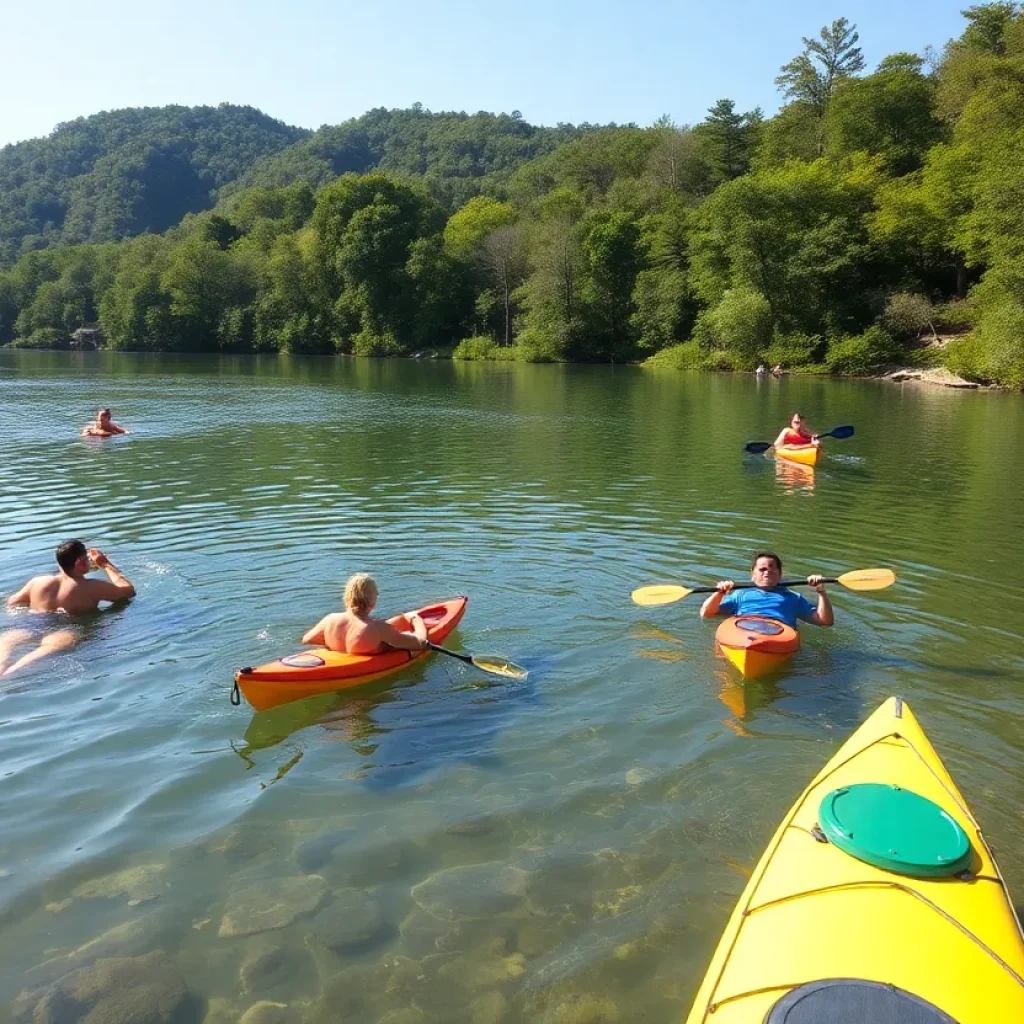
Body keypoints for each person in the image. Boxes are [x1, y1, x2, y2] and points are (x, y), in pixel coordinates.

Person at [2, 540, 136, 677]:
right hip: (65, 628)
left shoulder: (38, 582)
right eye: (87, 559)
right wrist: (105, 564)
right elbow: (129, 592)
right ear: (80, 562)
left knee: (7, 642)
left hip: (32, 622)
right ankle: (7, 676)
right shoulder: (92, 587)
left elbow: (12, 602)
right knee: (47, 648)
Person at [700, 551, 834, 629]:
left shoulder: (794, 598)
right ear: (752, 574)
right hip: (744, 631)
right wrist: (719, 593)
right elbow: (706, 613)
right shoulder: (739, 595)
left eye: (772, 569)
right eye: (762, 569)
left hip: (778, 634)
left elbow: (825, 622)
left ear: (780, 574)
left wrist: (820, 591)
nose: (767, 572)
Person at [302, 573, 428, 654]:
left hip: (340, 668)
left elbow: (307, 639)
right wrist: (415, 619)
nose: (378, 594)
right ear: (371, 599)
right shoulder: (377, 628)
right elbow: (421, 643)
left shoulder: (330, 619)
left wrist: (333, 643)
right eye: (375, 592)